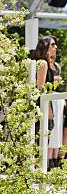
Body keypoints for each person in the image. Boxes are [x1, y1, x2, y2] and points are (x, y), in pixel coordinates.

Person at [34, 36, 58, 170]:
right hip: (41, 106)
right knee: (41, 138)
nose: (56, 47)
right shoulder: (42, 63)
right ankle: (37, 169)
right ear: (46, 47)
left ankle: (38, 168)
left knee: (43, 138)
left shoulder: (47, 63)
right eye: (53, 45)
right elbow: (40, 88)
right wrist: (47, 108)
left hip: (44, 105)